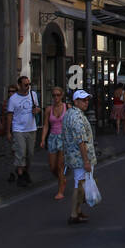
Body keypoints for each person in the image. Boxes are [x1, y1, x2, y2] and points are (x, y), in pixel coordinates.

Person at [63, 89, 96, 224]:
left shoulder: (72, 113)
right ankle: (74, 213)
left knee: (80, 183)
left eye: (87, 100)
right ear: (76, 101)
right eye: (83, 100)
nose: (86, 102)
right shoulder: (76, 117)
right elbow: (80, 140)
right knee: (80, 184)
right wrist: (86, 161)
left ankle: (77, 211)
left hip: (75, 156)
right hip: (79, 157)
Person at [6, 74, 40, 186]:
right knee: (20, 152)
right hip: (18, 129)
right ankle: (20, 175)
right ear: (19, 85)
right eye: (25, 85)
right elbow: (10, 115)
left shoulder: (33, 94)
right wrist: (8, 131)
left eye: (29, 84)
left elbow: (37, 107)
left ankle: (25, 171)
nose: (28, 86)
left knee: (30, 153)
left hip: (31, 128)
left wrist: (37, 110)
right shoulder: (13, 99)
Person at [40, 86, 67, 199]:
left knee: (60, 166)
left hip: (63, 137)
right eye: (54, 95)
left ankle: (60, 191)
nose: (56, 97)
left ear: (62, 95)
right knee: (52, 167)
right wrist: (42, 139)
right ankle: (62, 179)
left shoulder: (67, 107)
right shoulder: (48, 109)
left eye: (58, 95)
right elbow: (46, 125)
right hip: (52, 137)